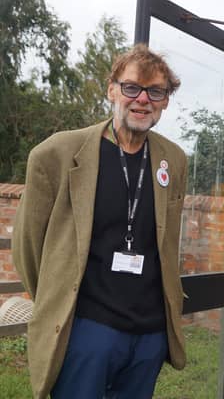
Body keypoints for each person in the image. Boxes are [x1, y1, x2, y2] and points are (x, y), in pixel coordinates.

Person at [12, 44, 188, 399]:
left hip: (150, 334)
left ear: (165, 101)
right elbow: (28, 248)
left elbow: (166, 244)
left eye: (156, 91)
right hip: (86, 331)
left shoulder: (173, 159)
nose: (143, 99)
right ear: (112, 89)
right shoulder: (56, 154)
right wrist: (58, 301)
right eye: (132, 87)